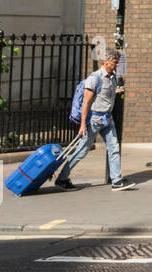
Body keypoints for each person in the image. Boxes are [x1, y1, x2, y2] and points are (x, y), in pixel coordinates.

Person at [55, 50, 135, 191]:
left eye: (118, 62)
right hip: (94, 120)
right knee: (82, 150)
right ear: (106, 61)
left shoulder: (113, 78)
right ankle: (62, 178)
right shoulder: (94, 78)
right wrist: (82, 125)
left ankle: (116, 180)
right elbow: (86, 102)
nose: (117, 65)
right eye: (115, 62)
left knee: (114, 148)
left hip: (107, 119)